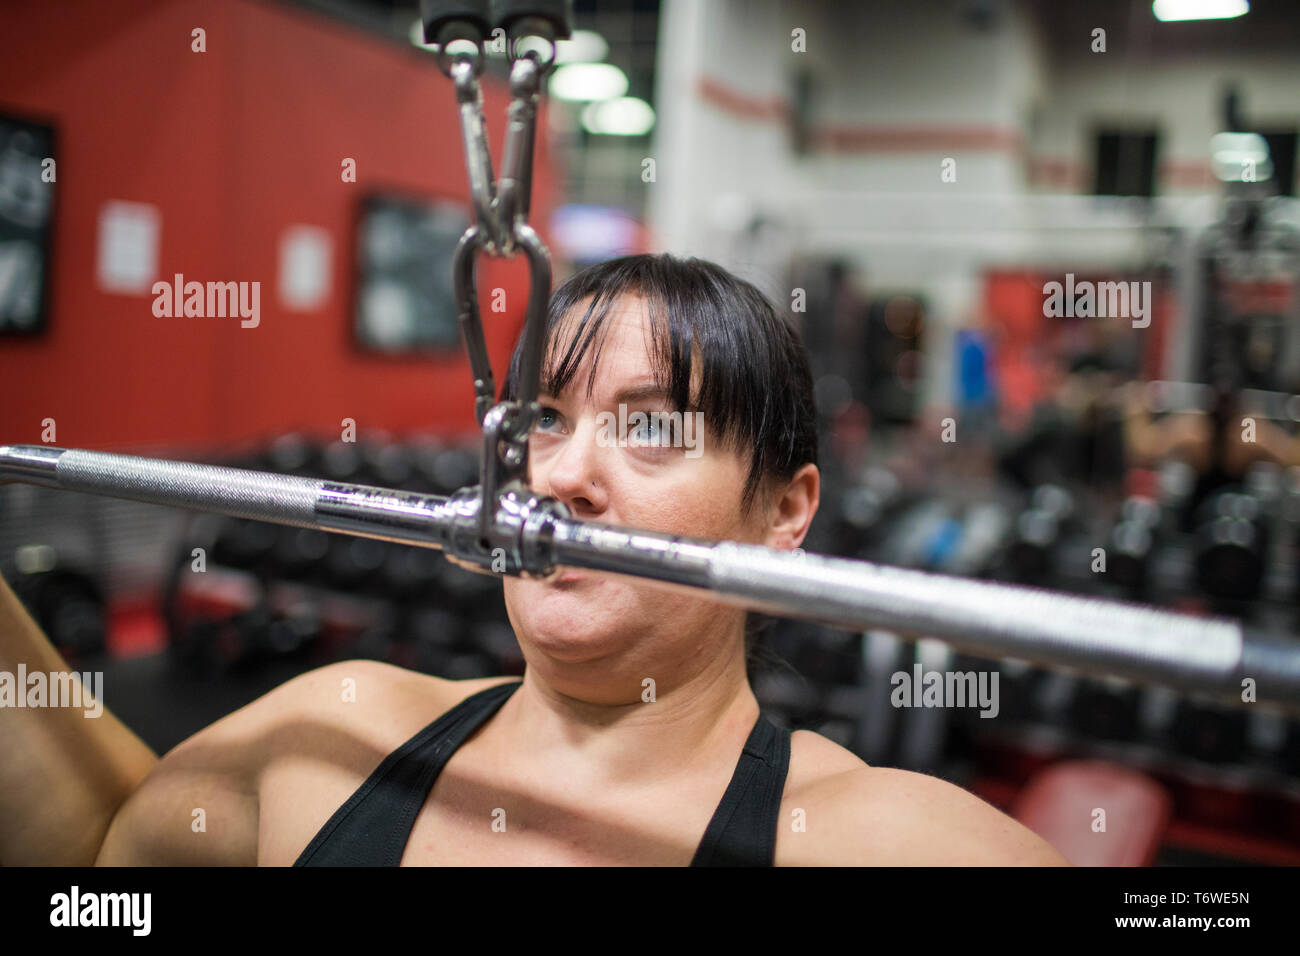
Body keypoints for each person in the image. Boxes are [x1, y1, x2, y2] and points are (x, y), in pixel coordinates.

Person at [0, 254, 1068, 866]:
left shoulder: (879, 844)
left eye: (650, 427)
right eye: (544, 421)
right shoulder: (334, 733)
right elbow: (95, 860)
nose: (563, 473)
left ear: (783, 511)